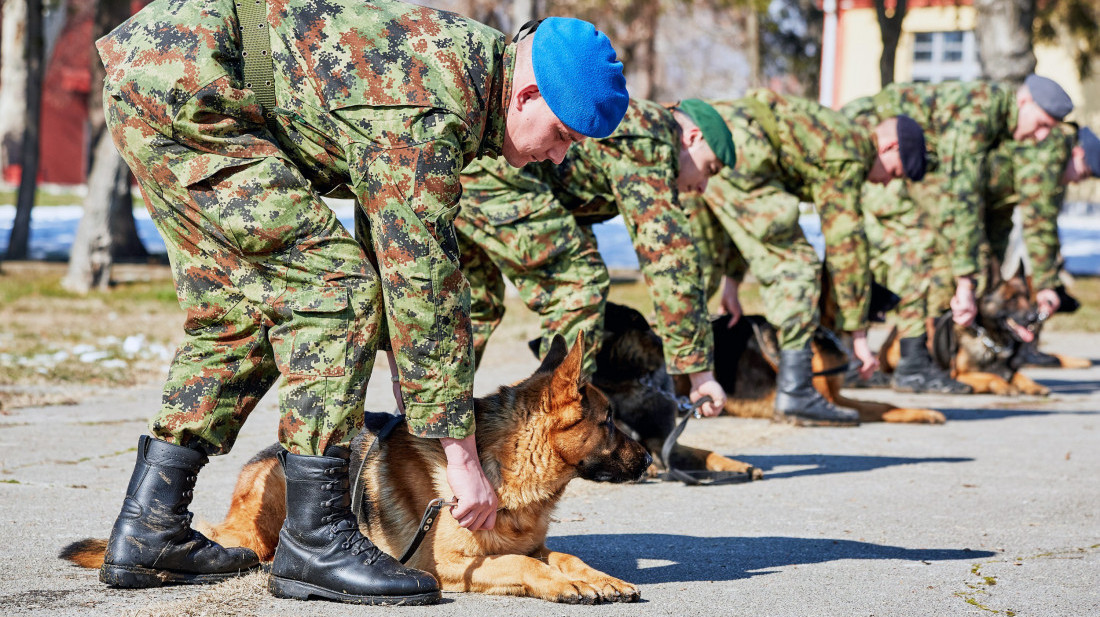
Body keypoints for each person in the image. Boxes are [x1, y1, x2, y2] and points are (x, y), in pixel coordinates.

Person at [95, 0, 628, 605]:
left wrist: (417, 382)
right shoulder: (437, 99)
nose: (558, 157)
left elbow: (390, 240)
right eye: (562, 135)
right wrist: (460, 457)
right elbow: (423, 282)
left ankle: (150, 528)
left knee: (237, 314)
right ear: (527, 95)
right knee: (336, 292)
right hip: (191, 83)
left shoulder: (461, 78)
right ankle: (315, 540)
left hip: (164, 73)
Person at [456, 98, 734, 417]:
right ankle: (555, 436)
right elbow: (670, 260)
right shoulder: (653, 136)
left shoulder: (633, 128)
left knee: (473, 304)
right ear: (693, 137)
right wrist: (699, 371)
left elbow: (571, 213)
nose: (702, 187)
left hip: (474, 166)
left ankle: (424, 429)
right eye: (709, 169)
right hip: (500, 177)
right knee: (579, 286)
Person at [688, 88, 927, 426]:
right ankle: (797, 393)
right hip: (742, 155)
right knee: (797, 264)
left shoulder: (830, 132)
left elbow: (743, 217)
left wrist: (731, 282)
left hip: (705, 146)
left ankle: (661, 379)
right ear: (888, 147)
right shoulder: (851, 150)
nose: (888, 183)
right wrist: (858, 333)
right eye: (896, 172)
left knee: (693, 270)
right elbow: (846, 244)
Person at [843, 75, 1072, 393]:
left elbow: (984, 213)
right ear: (1024, 102)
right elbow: (960, 196)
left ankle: (901, 360)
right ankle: (893, 362)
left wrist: (1044, 282)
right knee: (915, 245)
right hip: (880, 145)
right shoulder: (980, 113)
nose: (1042, 135)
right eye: (1042, 123)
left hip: (908, 160)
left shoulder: (996, 121)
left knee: (927, 251)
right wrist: (966, 281)